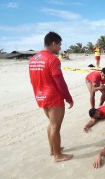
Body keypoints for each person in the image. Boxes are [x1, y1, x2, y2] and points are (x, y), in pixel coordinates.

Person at [29, 31, 73, 162]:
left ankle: (53, 149)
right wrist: (68, 97)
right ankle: (58, 156)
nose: (60, 47)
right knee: (56, 126)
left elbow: (32, 79)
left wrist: (38, 93)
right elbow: (60, 81)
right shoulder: (53, 59)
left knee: (52, 124)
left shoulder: (33, 59)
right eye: (59, 44)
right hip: (53, 96)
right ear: (53, 43)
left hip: (40, 95)